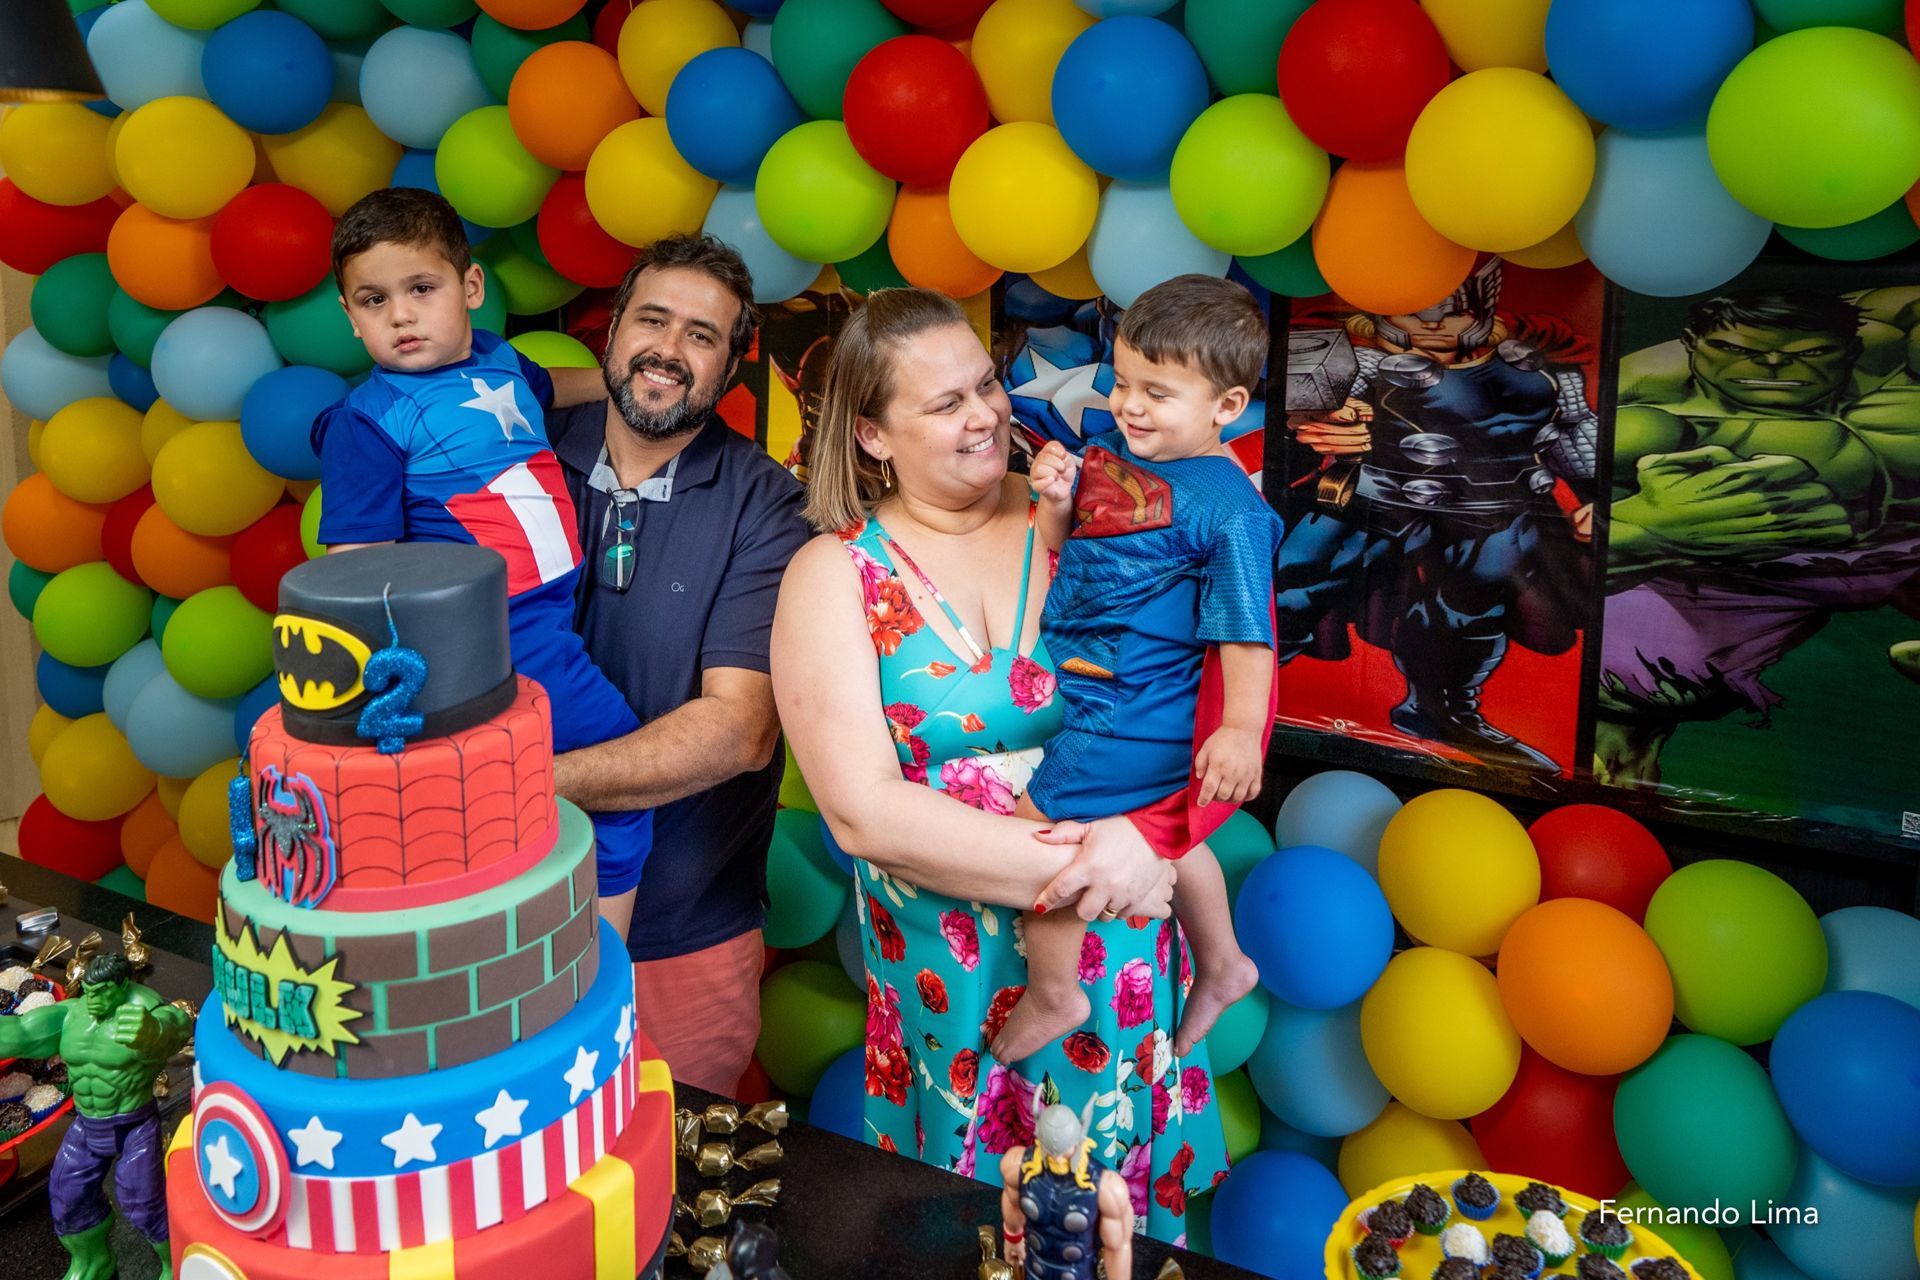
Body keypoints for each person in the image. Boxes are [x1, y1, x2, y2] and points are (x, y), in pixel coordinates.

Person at [771, 287, 1227, 1245]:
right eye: (945, 403)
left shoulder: (1090, 512)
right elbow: (862, 814)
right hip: (958, 987)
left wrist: (1152, 842)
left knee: (1119, 1235)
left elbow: (1189, 699)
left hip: (1122, 962)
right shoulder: (834, 575)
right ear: (872, 435)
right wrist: (1112, 864)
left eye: (986, 385)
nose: (985, 414)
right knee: (970, 1236)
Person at [310, 188, 651, 940]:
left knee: (543, 804)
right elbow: (354, 576)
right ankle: (597, 967)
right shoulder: (366, 421)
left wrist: (625, 386)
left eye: (420, 289)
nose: (400, 315)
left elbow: (549, 388)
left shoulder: (500, 361)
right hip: (497, 636)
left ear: (470, 289)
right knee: (625, 777)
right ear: (348, 314)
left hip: (553, 624)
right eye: (373, 299)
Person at [540, 235, 810, 1093]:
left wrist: (519, 787)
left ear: (733, 366)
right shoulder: (516, 449)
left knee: (676, 1183)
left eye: (702, 335)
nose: (668, 348)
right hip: (493, 914)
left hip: (682, 936)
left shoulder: (768, 504)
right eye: (651, 320)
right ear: (611, 332)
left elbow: (739, 732)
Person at [997, 275, 1281, 1066]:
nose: (1130, 405)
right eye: (1123, 383)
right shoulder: (1117, 456)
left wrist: (1240, 729)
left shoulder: (1231, 510)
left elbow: (1247, 635)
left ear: (1226, 407)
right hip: (1096, 684)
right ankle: (1223, 963)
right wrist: (1054, 497)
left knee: (1038, 826)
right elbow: (1066, 548)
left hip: (1131, 711)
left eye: (1158, 392)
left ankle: (1058, 990)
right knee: (1170, 832)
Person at [1277, 258, 1598, 773]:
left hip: (1493, 508)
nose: (1430, 326)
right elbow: (1297, 418)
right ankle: (1239, 691)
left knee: (1471, 610)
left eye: (1448, 316)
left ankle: (1441, 710)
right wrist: (1322, 424)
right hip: (1373, 493)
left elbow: (1572, 432)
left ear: (1479, 306)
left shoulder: (1544, 371)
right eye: (1412, 316)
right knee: (1296, 585)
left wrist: (1596, 494)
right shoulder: (1357, 361)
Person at [1599, 287, 1920, 782]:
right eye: (1739, 351)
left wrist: (1643, 531)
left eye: (1805, 355)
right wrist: (1649, 532)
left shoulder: (1630, 406)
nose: (1771, 366)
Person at [0, 953, 193, 1280]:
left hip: (135, 1124)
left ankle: (178, 1265)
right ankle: (94, 1262)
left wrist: (153, 1034)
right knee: (67, 1195)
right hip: (88, 1124)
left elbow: (177, 1026)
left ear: (122, 986)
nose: (94, 1001)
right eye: (89, 992)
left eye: (102, 993)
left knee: (141, 1200)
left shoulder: (145, 1011)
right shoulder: (73, 1015)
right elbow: (20, 1032)